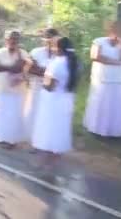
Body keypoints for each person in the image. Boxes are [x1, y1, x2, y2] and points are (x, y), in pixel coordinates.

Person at [84, 21, 121, 137]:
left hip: (120, 79)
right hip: (102, 77)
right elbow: (95, 56)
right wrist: (115, 62)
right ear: (109, 30)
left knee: (118, 103)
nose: (117, 32)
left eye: (120, 29)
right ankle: (97, 128)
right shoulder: (98, 41)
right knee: (101, 100)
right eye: (114, 29)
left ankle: (117, 130)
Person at [31, 37, 79, 166]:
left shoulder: (57, 63)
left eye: (53, 46)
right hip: (66, 97)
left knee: (50, 124)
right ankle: (58, 151)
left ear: (58, 49)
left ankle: (49, 152)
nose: (51, 49)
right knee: (61, 125)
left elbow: (50, 86)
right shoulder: (73, 62)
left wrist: (43, 83)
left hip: (52, 99)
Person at [0, 30, 31, 148]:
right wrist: (10, 67)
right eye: (10, 39)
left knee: (13, 116)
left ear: (18, 41)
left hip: (16, 91)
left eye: (15, 39)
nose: (12, 41)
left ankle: (12, 141)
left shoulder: (23, 54)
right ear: (5, 40)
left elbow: (21, 69)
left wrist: (4, 67)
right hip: (0, 87)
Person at [25, 28, 59, 139]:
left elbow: (60, 72)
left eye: (52, 39)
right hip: (36, 86)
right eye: (47, 38)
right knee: (35, 111)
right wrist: (48, 72)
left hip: (52, 89)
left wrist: (41, 70)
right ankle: (34, 138)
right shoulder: (36, 52)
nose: (49, 41)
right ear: (43, 40)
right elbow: (29, 69)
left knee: (48, 114)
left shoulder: (60, 54)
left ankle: (46, 138)